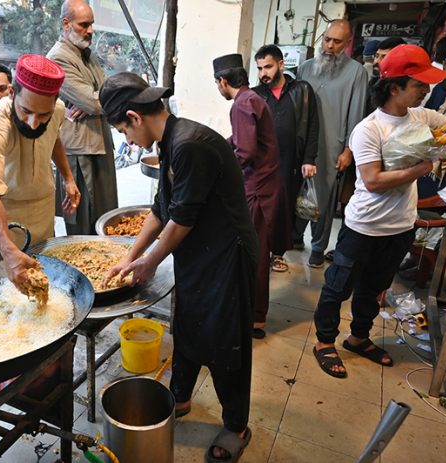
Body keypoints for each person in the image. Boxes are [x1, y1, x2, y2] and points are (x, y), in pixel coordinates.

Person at [100, 72, 258, 462]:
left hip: (226, 256)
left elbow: (182, 220)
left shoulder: (190, 145)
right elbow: (161, 209)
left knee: (225, 344)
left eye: (123, 130)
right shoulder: (171, 141)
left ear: (135, 117)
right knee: (188, 325)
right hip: (199, 254)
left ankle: (237, 424)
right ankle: (182, 398)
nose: (127, 140)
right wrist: (129, 255)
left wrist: (150, 262)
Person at [311, 44, 446, 378]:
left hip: (399, 227)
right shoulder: (369, 129)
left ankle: (359, 337)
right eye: (418, 84)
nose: (427, 90)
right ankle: (324, 342)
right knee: (338, 286)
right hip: (364, 226)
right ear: (394, 87)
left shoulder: (423, 118)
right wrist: (422, 167)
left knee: (375, 287)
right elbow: (374, 179)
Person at [0, 54, 80, 294]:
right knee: (5, 284)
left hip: (41, 206)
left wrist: (68, 178)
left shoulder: (58, 111)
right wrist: (7, 249)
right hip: (3, 212)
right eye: (26, 111)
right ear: (12, 93)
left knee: (45, 275)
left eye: (44, 115)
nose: (34, 123)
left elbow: (53, 139)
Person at [213, 53, 286, 340]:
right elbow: (244, 140)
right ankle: (251, 311)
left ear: (223, 81)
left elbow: (245, 153)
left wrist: (218, 172)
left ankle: (254, 318)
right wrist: (220, 143)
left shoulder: (241, 104)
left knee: (254, 254)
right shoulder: (252, 98)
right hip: (265, 185)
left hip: (258, 189)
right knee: (254, 251)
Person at [297, 19, 368, 268]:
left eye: (337, 41)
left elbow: (356, 115)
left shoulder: (357, 73)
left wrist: (349, 149)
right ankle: (295, 237)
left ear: (347, 44)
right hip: (301, 143)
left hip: (331, 145)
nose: (329, 46)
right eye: (327, 39)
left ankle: (318, 246)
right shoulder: (305, 68)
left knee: (324, 197)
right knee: (297, 189)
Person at [47, 0, 118, 235]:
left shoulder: (86, 54)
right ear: (66, 24)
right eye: (83, 25)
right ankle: (82, 270)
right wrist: (94, 102)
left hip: (99, 141)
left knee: (106, 217)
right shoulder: (59, 57)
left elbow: (108, 91)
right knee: (82, 221)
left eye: (91, 24)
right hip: (78, 152)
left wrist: (95, 102)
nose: (90, 30)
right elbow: (94, 101)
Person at [252, 44, 319, 268]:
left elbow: (312, 126)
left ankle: (278, 253)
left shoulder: (302, 90)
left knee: (285, 207)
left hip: (291, 160)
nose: (263, 73)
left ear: (281, 65)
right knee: (262, 208)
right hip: (262, 163)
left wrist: (309, 158)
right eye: (259, 68)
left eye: (268, 67)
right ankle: (259, 251)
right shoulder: (255, 94)